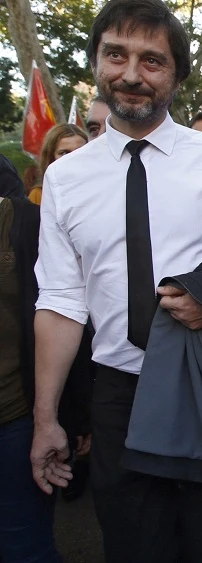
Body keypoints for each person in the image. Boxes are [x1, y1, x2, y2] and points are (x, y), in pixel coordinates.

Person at [29, 1, 202, 561]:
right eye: (116, 54)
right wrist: (47, 420)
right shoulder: (64, 179)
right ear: (95, 62)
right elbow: (61, 303)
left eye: (152, 60)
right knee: (134, 546)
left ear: (177, 75)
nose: (132, 74)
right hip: (119, 397)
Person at [0, 193, 92, 563]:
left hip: (15, 417)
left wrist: (69, 415)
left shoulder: (27, 223)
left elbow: (65, 313)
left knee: (24, 546)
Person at [28, 124, 88, 204]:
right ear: (50, 156)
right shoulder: (39, 195)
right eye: (64, 153)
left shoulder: (101, 187)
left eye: (79, 151)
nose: (72, 158)